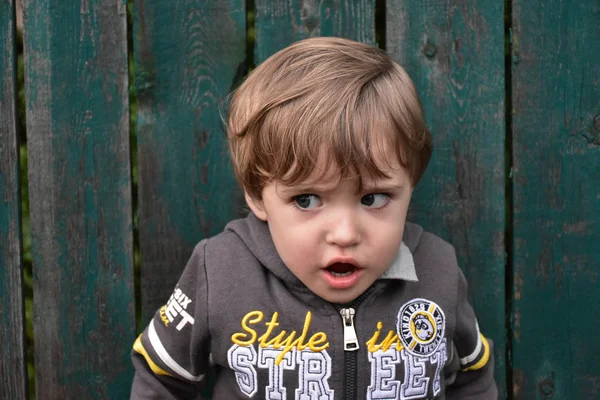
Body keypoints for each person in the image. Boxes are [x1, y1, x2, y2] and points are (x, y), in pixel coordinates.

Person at [130, 36, 497, 399]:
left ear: (410, 186)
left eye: (373, 198)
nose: (344, 233)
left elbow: (472, 376)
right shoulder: (220, 270)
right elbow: (162, 378)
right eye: (306, 200)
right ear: (258, 194)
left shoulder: (438, 271)